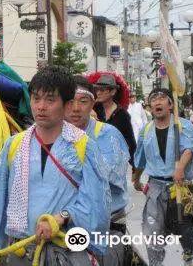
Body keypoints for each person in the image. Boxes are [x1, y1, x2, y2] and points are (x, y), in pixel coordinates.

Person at [0, 66, 110, 265]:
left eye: (50, 100)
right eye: (36, 98)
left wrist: (62, 217)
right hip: (20, 252)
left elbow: (96, 203)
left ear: (67, 105)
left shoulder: (84, 146)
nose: (41, 106)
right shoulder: (14, 145)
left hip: (67, 252)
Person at [66, 75, 131, 265]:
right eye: (70, 102)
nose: (76, 108)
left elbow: (109, 182)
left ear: (93, 103)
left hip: (105, 227)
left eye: (83, 101)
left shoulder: (108, 134)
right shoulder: (54, 135)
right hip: (66, 227)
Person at [133, 87, 193, 265]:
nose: (157, 102)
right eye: (153, 99)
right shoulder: (145, 130)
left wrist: (180, 168)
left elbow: (189, 149)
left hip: (180, 186)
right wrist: (136, 178)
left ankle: (188, 256)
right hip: (155, 187)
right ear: (150, 106)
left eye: (162, 98)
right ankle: (156, 262)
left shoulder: (183, 125)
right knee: (152, 231)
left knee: (183, 228)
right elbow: (140, 159)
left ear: (170, 104)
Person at [89, 73, 136, 169]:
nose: (98, 93)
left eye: (102, 90)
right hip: (93, 163)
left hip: (114, 165)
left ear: (113, 91)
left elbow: (130, 142)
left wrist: (135, 168)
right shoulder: (93, 109)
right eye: (97, 89)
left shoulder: (123, 115)